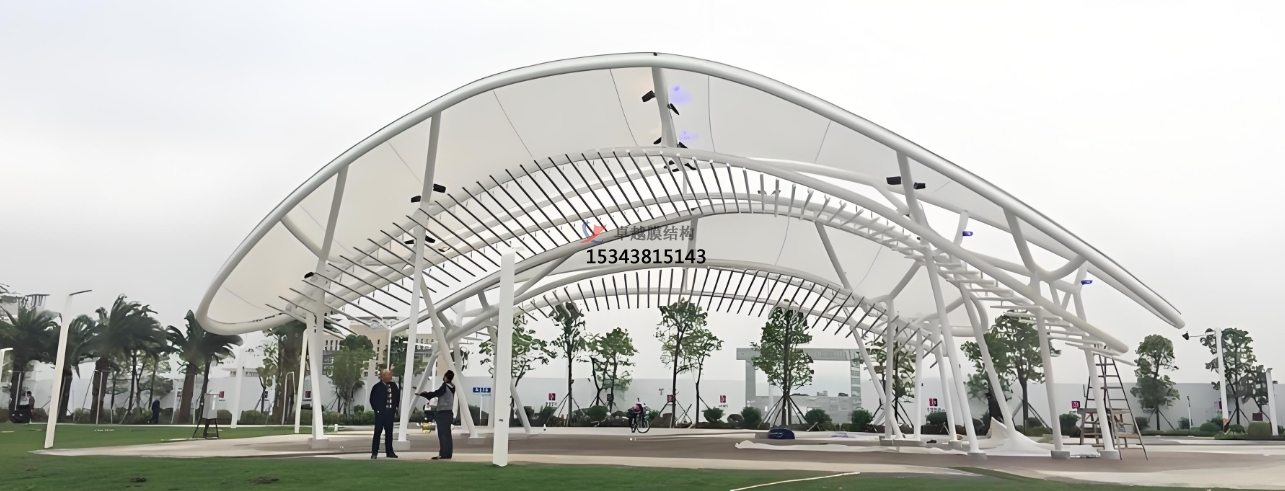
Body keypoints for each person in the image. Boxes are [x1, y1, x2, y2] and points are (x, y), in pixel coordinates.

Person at [418, 370, 456, 460]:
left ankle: (443, 454)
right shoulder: (453, 387)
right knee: (447, 434)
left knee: (442, 434)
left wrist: (424, 394)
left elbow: (436, 393)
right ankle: (448, 453)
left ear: (446, 377)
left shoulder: (445, 386)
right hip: (449, 412)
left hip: (443, 412)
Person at [368, 369, 400, 459]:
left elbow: (397, 397)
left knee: (389, 433)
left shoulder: (393, 386)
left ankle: (389, 452)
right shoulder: (377, 387)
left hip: (390, 412)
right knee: (377, 432)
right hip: (380, 413)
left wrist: (395, 408)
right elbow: (372, 399)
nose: (390, 377)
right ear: (382, 376)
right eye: (388, 375)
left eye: (390, 375)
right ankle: (374, 453)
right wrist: (377, 409)